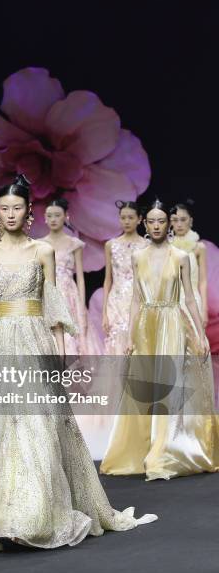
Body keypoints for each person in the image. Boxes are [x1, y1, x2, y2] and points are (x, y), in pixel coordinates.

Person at [0, 174, 157, 552]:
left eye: (17, 208)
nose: (10, 214)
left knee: (40, 424)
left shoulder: (42, 252)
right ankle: (3, 514)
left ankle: (36, 513)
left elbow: (53, 308)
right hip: (2, 342)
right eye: (4, 208)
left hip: (36, 341)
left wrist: (58, 356)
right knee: (2, 427)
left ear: (28, 213)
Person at [100, 200, 219, 480]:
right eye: (151, 221)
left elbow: (189, 297)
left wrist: (199, 334)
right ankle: (140, 448)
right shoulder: (137, 256)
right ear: (145, 224)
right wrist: (130, 335)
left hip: (172, 322)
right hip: (145, 325)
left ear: (168, 225)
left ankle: (166, 451)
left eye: (161, 221)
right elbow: (135, 300)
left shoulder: (180, 256)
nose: (156, 226)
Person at [40, 197, 102, 355]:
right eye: (49, 215)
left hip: (69, 297)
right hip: (46, 295)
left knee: (73, 340)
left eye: (57, 215)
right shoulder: (38, 245)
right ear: (45, 218)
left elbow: (80, 277)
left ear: (66, 216)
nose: (53, 219)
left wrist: (81, 305)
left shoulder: (74, 244)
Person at [102, 201, 148, 354]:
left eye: (130, 217)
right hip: (115, 301)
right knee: (115, 343)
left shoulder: (147, 245)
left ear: (139, 219)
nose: (126, 221)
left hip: (139, 299)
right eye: (123, 218)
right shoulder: (111, 245)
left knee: (138, 343)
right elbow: (108, 279)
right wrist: (104, 313)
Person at [170, 200, 208, 327]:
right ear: (170, 223)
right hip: (171, 301)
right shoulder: (167, 247)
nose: (179, 224)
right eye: (175, 220)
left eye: (183, 219)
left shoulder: (199, 247)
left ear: (190, 221)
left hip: (193, 300)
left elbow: (203, 281)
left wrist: (204, 309)